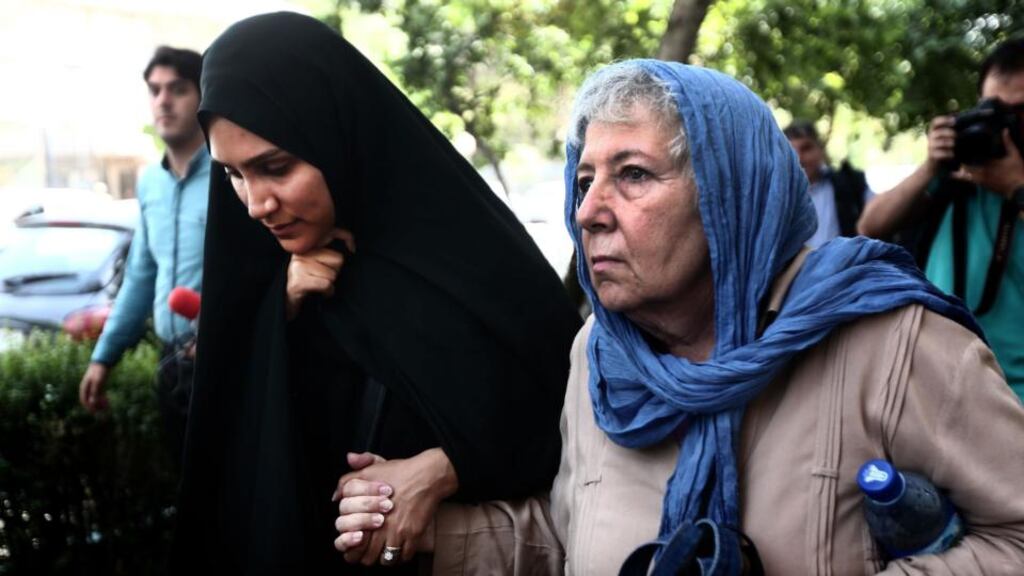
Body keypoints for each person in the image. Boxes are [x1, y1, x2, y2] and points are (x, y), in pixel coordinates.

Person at [336, 60, 1024, 574]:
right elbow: (569, 535)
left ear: (731, 194)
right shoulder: (598, 354)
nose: (588, 211)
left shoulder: (888, 340)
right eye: (584, 180)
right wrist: (427, 534)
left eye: (633, 174)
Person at [171, 12, 581, 575]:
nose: (256, 203)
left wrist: (444, 468)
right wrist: (276, 312)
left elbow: (567, 417)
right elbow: (207, 431)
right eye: (234, 175)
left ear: (337, 135)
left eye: (276, 167)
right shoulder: (264, 281)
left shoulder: (469, 259)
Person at [858, 38, 1024, 402]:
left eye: (1019, 112)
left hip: (1014, 400)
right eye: (994, 110)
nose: (1006, 126)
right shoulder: (958, 175)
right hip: (939, 394)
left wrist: (1016, 188)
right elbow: (871, 226)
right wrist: (931, 166)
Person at [78, 46, 208, 465]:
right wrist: (104, 357)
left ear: (203, 96)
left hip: (227, 360)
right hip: (171, 362)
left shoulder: (234, 174)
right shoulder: (150, 181)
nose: (163, 101)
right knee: (184, 484)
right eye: (155, 90)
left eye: (178, 89)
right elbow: (139, 276)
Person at [784, 119, 875, 249]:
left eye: (806, 148)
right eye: (791, 151)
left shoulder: (849, 184)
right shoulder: (775, 195)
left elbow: (877, 216)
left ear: (820, 149)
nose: (799, 158)